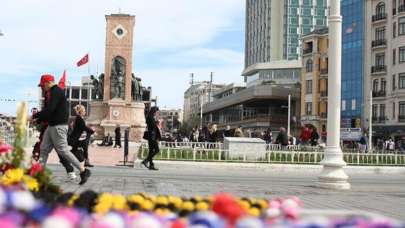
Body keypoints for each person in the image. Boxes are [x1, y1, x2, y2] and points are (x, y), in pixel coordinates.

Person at [32, 74, 91, 185]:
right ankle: (38, 175)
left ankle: (83, 170)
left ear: (48, 83)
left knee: (63, 150)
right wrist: (39, 119)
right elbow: (51, 112)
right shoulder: (51, 92)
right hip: (52, 126)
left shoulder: (56, 91)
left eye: (42, 85)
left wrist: (35, 116)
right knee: (43, 150)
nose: (41, 88)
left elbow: (50, 109)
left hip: (58, 126)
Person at [68, 105, 95, 169]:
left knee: (84, 149)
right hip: (77, 138)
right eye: (84, 111)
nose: (85, 112)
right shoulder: (79, 118)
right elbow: (84, 127)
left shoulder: (80, 118)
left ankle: (86, 162)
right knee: (75, 150)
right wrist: (92, 131)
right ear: (81, 111)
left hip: (82, 138)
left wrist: (90, 130)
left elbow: (83, 127)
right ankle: (67, 158)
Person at [141, 106, 161, 170]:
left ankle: (151, 165)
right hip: (152, 137)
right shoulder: (150, 117)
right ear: (154, 111)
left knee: (151, 151)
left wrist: (156, 122)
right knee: (157, 150)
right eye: (156, 112)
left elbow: (152, 126)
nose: (156, 113)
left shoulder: (150, 117)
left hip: (151, 136)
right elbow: (152, 128)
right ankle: (146, 161)